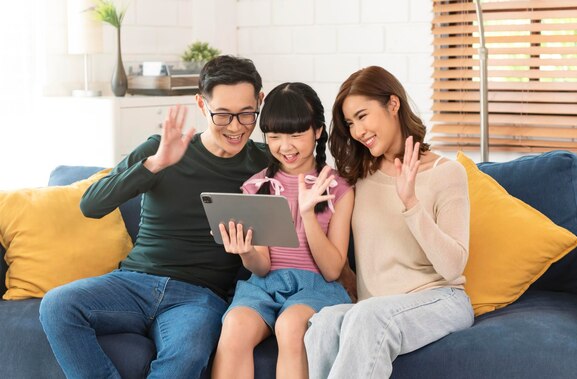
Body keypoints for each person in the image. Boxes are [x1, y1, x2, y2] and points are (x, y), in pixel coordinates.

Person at [39, 55, 269, 379]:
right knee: (57, 305)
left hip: (200, 297)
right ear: (201, 105)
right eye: (223, 115)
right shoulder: (161, 149)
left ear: (260, 102)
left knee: (186, 354)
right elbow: (90, 205)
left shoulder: (267, 163)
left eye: (246, 114)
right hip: (133, 282)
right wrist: (156, 164)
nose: (235, 126)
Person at [304, 66, 475, 379]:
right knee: (324, 323)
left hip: (440, 299)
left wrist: (410, 202)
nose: (357, 131)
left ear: (393, 105)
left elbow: (453, 267)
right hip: (377, 306)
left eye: (362, 115)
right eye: (350, 123)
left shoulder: (446, 173)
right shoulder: (359, 177)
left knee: (368, 316)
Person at [211, 82, 354, 379]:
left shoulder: (338, 188)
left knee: (290, 326)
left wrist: (307, 214)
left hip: (317, 288)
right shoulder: (257, 186)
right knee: (235, 325)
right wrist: (246, 251)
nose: (285, 147)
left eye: (296, 134)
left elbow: (331, 270)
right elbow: (261, 267)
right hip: (263, 286)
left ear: (317, 131)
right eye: (274, 136)